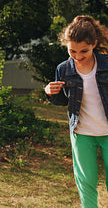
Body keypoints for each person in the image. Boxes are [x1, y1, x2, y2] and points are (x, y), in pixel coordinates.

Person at [45, 15, 108, 208]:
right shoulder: (63, 69)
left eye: (84, 51)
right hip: (82, 134)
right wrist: (50, 93)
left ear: (94, 44)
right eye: (72, 51)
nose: (78, 56)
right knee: (86, 184)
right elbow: (63, 101)